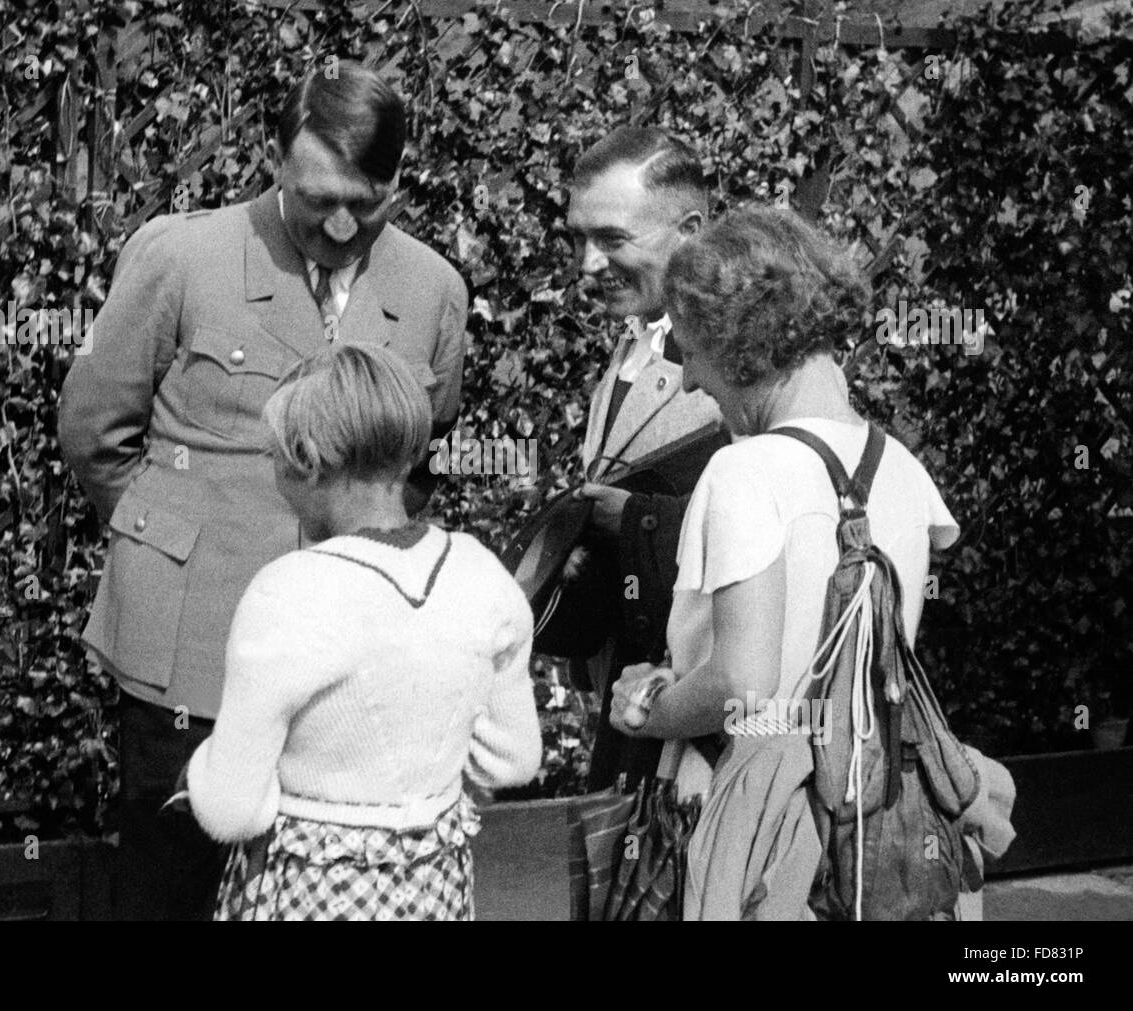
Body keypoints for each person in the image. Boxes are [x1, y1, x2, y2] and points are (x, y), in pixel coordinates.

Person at [57, 63, 468, 920]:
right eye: (320, 197)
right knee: (171, 885)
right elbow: (95, 430)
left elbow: (416, 464)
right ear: (275, 157)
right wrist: (179, 536)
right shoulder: (181, 255)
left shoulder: (433, 290)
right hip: (193, 649)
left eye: (370, 197)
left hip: (348, 662)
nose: (345, 223)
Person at [608, 206, 961, 918]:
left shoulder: (744, 471)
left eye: (690, 349)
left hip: (748, 822)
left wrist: (645, 712)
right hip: (865, 818)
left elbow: (745, 681)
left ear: (738, 340)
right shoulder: (904, 472)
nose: (689, 382)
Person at [185, 344, 541, 921]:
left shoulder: (287, 592)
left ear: (306, 462)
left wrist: (197, 770)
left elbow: (231, 810)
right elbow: (514, 761)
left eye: (275, 455)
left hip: (307, 892)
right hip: (435, 888)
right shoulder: (480, 572)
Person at [562, 127, 726, 791]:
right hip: (629, 704)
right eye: (579, 238)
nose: (587, 266)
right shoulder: (637, 338)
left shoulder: (745, 360)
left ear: (688, 230)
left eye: (611, 239)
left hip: (699, 731)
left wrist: (635, 518)